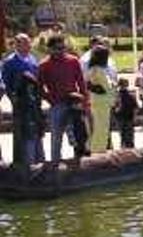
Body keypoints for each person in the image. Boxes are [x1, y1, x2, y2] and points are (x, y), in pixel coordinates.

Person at [38, 34, 90, 162]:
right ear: (50, 49)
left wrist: (84, 100)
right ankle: (55, 164)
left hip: (74, 102)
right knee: (56, 136)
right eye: (57, 48)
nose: (60, 51)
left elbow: (81, 82)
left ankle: (81, 162)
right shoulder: (44, 65)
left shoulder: (73, 61)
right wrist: (50, 99)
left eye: (63, 48)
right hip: (57, 104)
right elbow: (39, 87)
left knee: (78, 135)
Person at [3, 34, 44, 166]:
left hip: (34, 101)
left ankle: (38, 161)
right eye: (25, 43)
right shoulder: (10, 62)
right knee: (21, 132)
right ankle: (21, 163)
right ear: (17, 44)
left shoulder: (32, 59)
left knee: (36, 131)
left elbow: (37, 79)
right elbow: (6, 83)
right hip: (20, 102)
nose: (29, 45)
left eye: (29, 42)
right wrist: (13, 98)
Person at [84, 46, 116, 154]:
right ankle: (97, 150)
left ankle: (97, 148)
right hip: (101, 102)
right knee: (101, 128)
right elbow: (92, 84)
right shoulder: (97, 70)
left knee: (102, 127)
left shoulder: (96, 69)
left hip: (101, 102)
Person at [114, 78, 137, 149]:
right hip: (129, 117)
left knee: (122, 135)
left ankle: (124, 147)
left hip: (121, 117)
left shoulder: (117, 95)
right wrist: (135, 117)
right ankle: (129, 147)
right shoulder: (131, 95)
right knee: (129, 135)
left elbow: (115, 107)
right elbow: (135, 107)